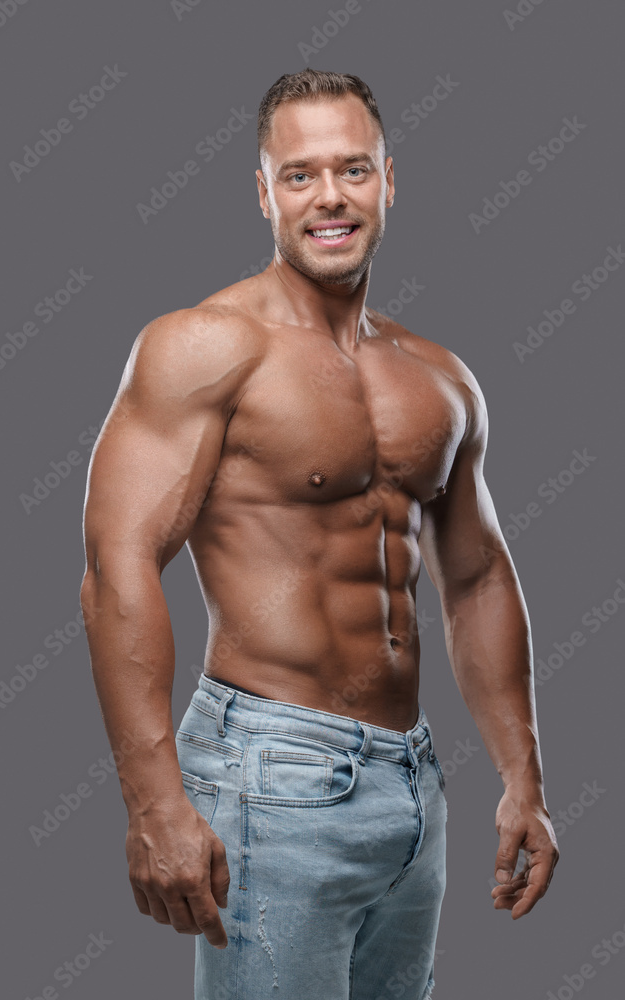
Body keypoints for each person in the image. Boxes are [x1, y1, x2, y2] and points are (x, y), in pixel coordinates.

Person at [79, 68, 559, 1000]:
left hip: (409, 779)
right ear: (263, 192)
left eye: (352, 169)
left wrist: (522, 779)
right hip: (269, 769)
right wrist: (153, 803)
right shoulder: (205, 346)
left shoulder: (439, 376)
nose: (329, 197)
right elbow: (117, 566)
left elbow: (475, 576)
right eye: (299, 175)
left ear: (389, 179)